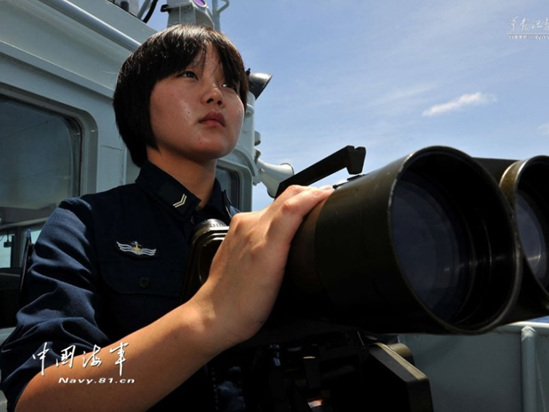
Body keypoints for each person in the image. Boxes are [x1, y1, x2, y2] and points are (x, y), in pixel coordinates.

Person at [0, 24, 332, 411]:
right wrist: (208, 317)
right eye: (189, 74)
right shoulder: (83, 224)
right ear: (139, 103)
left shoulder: (257, 235)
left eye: (230, 85)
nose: (216, 94)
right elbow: (39, 397)